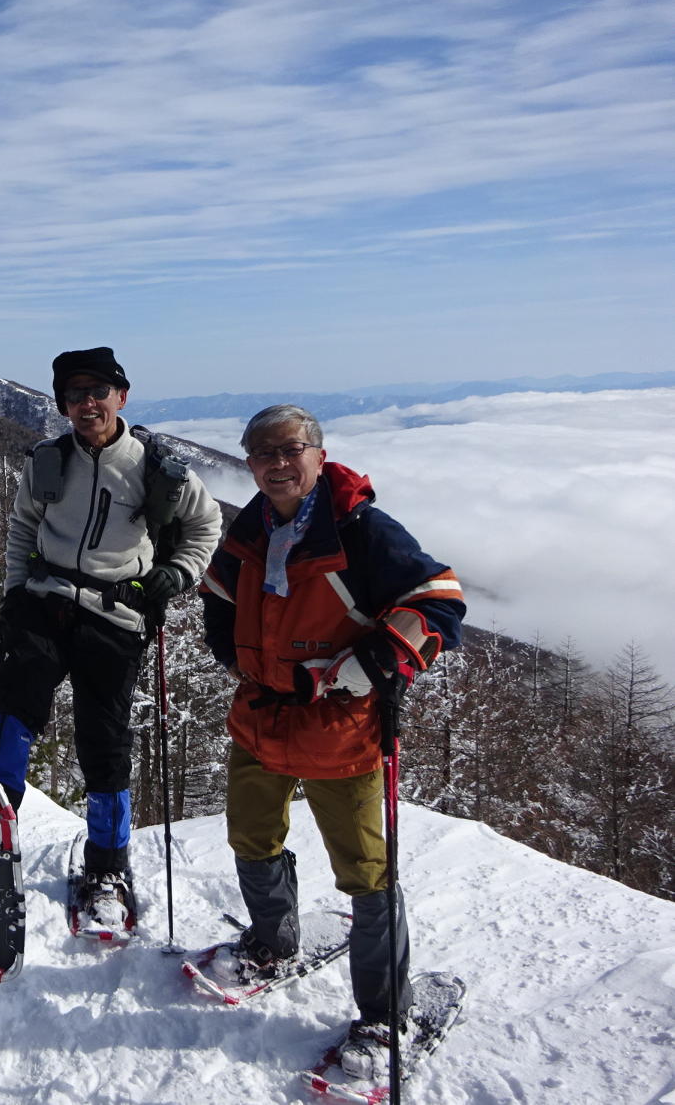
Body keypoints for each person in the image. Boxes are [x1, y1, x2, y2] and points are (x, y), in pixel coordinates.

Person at [200, 404, 464, 1077]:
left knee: (365, 873)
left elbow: (437, 598)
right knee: (248, 837)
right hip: (260, 718)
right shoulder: (250, 527)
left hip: (337, 730)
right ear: (249, 463)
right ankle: (269, 942)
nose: (276, 463)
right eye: (262, 453)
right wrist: (234, 656)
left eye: (290, 450)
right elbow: (217, 595)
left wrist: (372, 664)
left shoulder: (359, 529)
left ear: (318, 455)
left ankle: (383, 1014)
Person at [0, 346, 222, 929]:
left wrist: (176, 574)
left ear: (121, 396)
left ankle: (107, 865)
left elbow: (206, 526)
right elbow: (23, 529)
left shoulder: (157, 469)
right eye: (75, 395)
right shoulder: (47, 462)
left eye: (98, 392)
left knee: (103, 738)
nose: (87, 404)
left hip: (117, 612)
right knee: (16, 700)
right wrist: (13, 596)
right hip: (47, 599)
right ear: (63, 404)